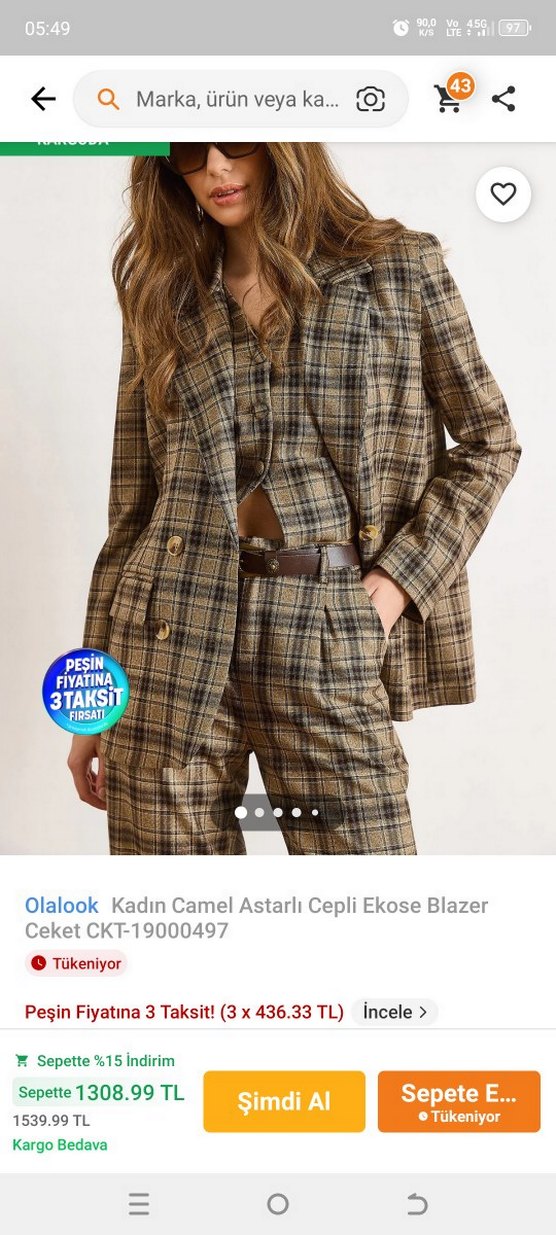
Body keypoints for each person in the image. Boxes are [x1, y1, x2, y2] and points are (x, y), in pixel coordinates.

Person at [67, 142, 520, 855]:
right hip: (168, 632)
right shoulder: (164, 290)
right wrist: (92, 697)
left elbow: (490, 442)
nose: (217, 168)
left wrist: (396, 583)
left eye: (238, 142)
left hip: (325, 621)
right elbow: (132, 508)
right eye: (189, 152)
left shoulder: (396, 269)